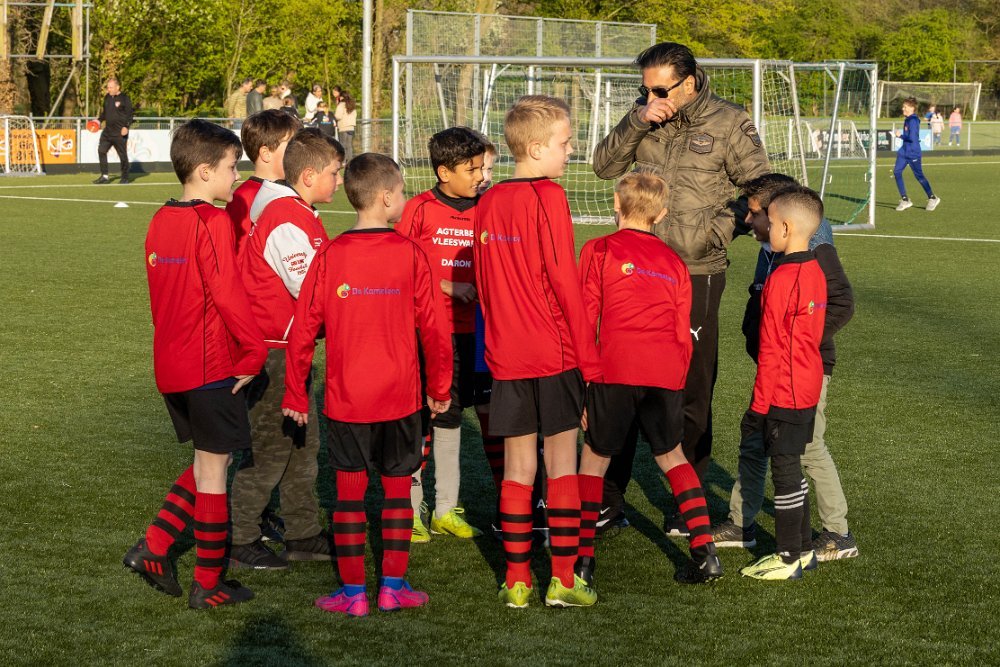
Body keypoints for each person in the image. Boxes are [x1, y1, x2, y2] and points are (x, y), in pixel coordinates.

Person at [592, 41, 770, 535]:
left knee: (691, 386)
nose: (651, 96)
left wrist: (716, 232)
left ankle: (683, 502)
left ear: (689, 83)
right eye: (645, 89)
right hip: (635, 265)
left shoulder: (730, 121)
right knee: (620, 379)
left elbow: (761, 188)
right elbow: (604, 167)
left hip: (696, 269)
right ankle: (608, 500)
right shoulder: (642, 114)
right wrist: (638, 120)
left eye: (660, 89)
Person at [282, 153, 452, 617]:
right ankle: (392, 587)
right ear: (386, 197)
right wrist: (440, 387)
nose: (405, 199)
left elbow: (302, 328)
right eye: (402, 192)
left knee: (349, 495)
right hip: (401, 399)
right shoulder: (411, 253)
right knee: (397, 491)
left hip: (347, 400)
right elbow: (435, 329)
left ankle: (354, 593)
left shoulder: (330, 254)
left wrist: (295, 391)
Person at [123, 119, 266, 608]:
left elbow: (158, 298)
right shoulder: (213, 221)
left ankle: (154, 547)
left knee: (211, 459)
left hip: (171, 362)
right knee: (214, 473)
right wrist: (253, 351)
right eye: (230, 166)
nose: (236, 175)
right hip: (209, 364)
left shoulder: (160, 219)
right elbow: (228, 294)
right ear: (205, 171)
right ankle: (207, 582)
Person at [474, 95, 600, 609]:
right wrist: (589, 359)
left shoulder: (487, 201)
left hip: (507, 354)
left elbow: (484, 286)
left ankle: (517, 581)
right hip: (554, 350)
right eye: (565, 143)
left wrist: (498, 341)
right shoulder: (548, 196)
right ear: (535, 148)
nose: (571, 151)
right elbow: (564, 279)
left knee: (518, 468)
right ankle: (564, 580)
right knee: (562, 463)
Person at [576, 172, 722, 592]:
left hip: (614, 369)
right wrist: (676, 380)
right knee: (673, 456)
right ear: (661, 214)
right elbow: (682, 331)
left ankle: (582, 561)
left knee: (594, 459)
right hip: (664, 374)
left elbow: (585, 318)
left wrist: (584, 381)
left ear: (615, 205)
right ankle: (705, 552)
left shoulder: (599, 249)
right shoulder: (674, 262)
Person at [712, 173, 859, 563]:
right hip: (774, 369)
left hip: (803, 371)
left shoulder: (814, 252)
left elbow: (842, 302)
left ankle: (838, 533)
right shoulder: (771, 251)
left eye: (754, 213)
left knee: (807, 447)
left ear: (778, 215)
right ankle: (741, 524)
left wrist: (799, 344)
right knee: (754, 442)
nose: (748, 220)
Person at [228, 129, 344, 569]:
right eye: (335, 172)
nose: (339, 181)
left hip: (291, 348)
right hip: (273, 352)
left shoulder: (299, 212)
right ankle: (240, 538)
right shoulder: (286, 218)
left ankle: (302, 533)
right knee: (270, 449)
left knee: (302, 446)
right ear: (310, 175)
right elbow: (312, 290)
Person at [396, 127, 486, 543]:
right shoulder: (419, 209)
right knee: (419, 417)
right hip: (428, 331)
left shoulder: (487, 207)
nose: (480, 176)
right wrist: (447, 286)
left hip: (473, 332)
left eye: (482, 167)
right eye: (472, 169)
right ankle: (411, 509)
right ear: (443, 172)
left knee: (452, 417)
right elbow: (398, 265)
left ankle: (446, 509)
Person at [738, 186, 826, 581]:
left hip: (783, 392)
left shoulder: (782, 277)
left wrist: (757, 409)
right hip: (807, 385)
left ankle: (788, 555)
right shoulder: (815, 271)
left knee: (785, 470)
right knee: (794, 467)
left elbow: (772, 349)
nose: (766, 228)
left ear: (786, 228)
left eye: (770, 223)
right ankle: (803, 550)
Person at [227, 109, 303, 262]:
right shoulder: (243, 198)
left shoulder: (293, 190)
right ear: (266, 153)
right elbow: (239, 256)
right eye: (291, 147)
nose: (299, 153)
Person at [894, 98, 940, 212]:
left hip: (913, 152)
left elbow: (912, 138)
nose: (902, 109)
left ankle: (932, 198)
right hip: (904, 151)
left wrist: (900, 136)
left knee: (919, 176)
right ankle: (905, 200)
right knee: (897, 172)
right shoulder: (908, 119)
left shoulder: (913, 120)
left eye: (905, 107)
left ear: (911, 108)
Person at [93, 77, 133, 184]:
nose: (108, 89)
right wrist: (98, 121)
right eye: (108, 87)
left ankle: (124, 177)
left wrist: (126, 127)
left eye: (111, 87)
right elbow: (104, 113)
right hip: (107, 132)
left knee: (122, 155)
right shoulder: (107, 97)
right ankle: (104, 176)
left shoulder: (125, 98)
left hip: (120, 133)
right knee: (101, 151)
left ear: (117, 87)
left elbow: (130, 115)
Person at [335, 91, 357, 162]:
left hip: (343, 127)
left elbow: (338, 116)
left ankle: (343, 161)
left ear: (341, 97)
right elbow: (355, 115)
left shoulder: (341, 105)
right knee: (349, 145)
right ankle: (350, 161)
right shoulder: (352, 105)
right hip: (351, 127)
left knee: (343, 145)